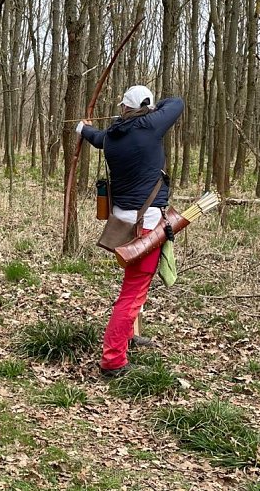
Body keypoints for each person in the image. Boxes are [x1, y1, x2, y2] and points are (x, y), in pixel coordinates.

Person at [76, 85, 184, 378]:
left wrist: (83, 129)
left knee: (132, 285)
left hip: (123, 222)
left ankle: (129, 335)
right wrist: (150, 109)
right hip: (145, 224)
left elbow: (95, 137)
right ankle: (113, 360)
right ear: (146, 108)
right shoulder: (149, 126)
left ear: (124, 108)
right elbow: (176, 102)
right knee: (132, 294)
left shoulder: (111, 135)